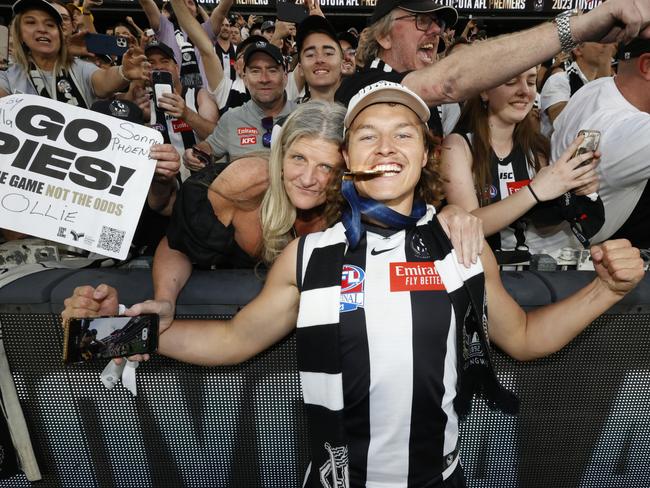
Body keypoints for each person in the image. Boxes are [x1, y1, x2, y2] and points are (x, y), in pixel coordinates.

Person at [63, 82, 644, 487]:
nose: (386, 148)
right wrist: (101, 335)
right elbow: (231, 341)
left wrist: (607, 291)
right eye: (368, 136)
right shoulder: (309, 253)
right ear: (347, 156)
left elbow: (523, 338)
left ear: (427, 156)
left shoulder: (460, 244)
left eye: (403, 136)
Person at [336, 0, 650, 139]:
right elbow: (447, 83)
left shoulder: (423, 103)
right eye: (422, 21)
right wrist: (579, 27)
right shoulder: (362, 87)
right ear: (383, 35)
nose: (436, 32)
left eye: (440, 23)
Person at [441, 68, 600, 257]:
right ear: (484, 91)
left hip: (533, 270)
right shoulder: (457, 145)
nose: (525, 91)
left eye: (531, 82)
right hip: (483, 271)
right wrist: (535, 191)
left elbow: (542, 226)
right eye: (511, 82)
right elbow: (469, 223)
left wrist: (579, 192)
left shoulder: (538, 147)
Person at [551, 38, 650, 249]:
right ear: (646, 66)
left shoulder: (598, 87)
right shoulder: (631, 131)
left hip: (544, 240)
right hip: (560, 263)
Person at [0, 0, 148, 108]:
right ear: (19, 33)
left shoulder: (79, 67)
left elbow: (104, 80)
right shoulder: (7, 75)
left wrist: (124, 71)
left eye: (50, 24)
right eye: (31, 22)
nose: (42, 29)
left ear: (60, 33)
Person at [184, 40, 296, 169]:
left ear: (285, 77)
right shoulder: (231, 118)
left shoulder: (303, 116)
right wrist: (193, 155)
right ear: (245, 78)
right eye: (255, 71)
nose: (264, 79)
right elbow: (209, 147)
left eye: (272, 70)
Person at [539, 41, 614, 136]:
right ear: (578, 49)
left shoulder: (602, 84)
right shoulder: (559, 80)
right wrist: (604, 79)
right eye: (598, 41)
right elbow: (561, 124)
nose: (606, 45)